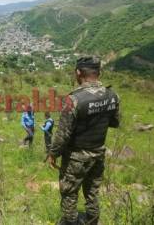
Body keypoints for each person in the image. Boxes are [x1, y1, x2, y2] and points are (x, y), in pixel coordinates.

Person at [47, 56, 120, 225]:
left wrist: (53, 153)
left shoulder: (73, 100)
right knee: (92, 193)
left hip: (76, 157)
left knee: (69, 194)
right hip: (98, 154)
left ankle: (70, 222)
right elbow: (115, 123)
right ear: (99, 72)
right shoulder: (113, 96)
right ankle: (93, 222)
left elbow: (63, 134)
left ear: (78, 73)